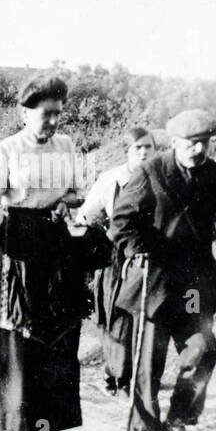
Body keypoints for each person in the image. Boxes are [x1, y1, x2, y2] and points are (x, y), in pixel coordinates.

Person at [110, 109, 216, 431]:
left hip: (192, 285)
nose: (198, 150)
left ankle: (179, 419)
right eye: (190, 143)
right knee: (149, 361)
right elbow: (121, 221)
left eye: (203, 143)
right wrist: (139, 249)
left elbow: (213, 219)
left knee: (203, 348)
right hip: (155, 281)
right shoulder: (150, 172)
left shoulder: (212, 175)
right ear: (174, 142)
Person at [0, 76, 95, 431]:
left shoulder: (66, 147)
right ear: (25, 113)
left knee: (53, 332)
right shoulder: (4, 151)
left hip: (54, 243)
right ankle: (8, 424)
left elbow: (78, 191)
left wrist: (67, 202)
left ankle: (35, 420)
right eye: (46, 114)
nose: (54, 121)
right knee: (14, 333)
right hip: (14, 243)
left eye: (59, 113)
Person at [78, 126, 156, 395]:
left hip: (151, 253)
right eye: (138, 148)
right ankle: (118, 377)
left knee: (147, 315)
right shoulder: (113, 179)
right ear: (127, 152)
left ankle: (139, 375)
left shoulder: (161, 179)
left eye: (149, 147)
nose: (144, 152)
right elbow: (87, 213)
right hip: (116, 254)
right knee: (117, 314)